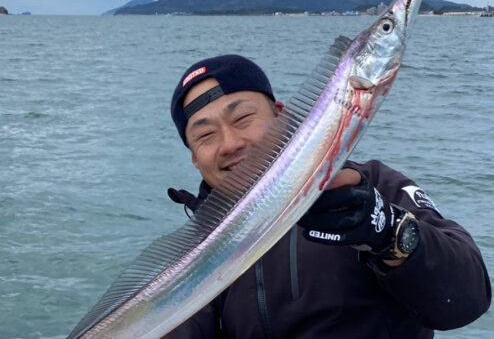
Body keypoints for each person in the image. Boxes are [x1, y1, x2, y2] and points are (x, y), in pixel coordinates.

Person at [164, 54, 491, 338]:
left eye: (243, 118)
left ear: (282, 116)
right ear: (195, 158)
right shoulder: (196, 249)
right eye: (205, 135)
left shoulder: (368, 184)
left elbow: (468, 299)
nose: (230, 143)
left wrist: (387, 232)